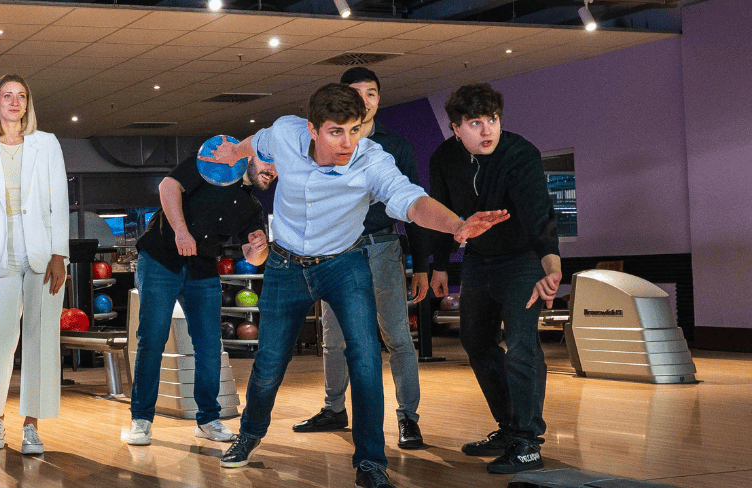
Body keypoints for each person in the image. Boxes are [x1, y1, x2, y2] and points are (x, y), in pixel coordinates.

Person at [202, 83, 509, 488]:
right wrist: (235, 153)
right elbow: (256, 141)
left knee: (365, 361)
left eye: (355, 130)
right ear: (312, 130)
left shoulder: (371, 161)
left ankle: (369, 462)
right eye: (336, 132)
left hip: (344, 263)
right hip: (285, 264)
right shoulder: (285, 132)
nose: (348, 142)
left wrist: (456, 225)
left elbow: (410, 199)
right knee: (268, 366)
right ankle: (250, 434)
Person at [428, 83, 561, 475]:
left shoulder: (520, 154)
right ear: (456, 128)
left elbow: (541, 215)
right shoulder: (444, 158)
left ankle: (527, 440)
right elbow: (440, 211)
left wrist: (551, 266)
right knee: (476, 341)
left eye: (493, 120)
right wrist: (440, 265)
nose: (487, 131)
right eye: (475, 123)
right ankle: (508, 427)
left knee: (521, 345)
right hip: (477, 261)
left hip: (522, 260)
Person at [294, 67, 430, 451]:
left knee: (397, 337)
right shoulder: (324, 144)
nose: (365, 100)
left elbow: (414, 205)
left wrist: (421, 265)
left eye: (371, 93)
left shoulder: (396, 146)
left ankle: (408, 419)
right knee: (333, 339)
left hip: (382, 247)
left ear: (378, 99)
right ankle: (334, 408)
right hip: (336, 252)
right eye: (356, 93)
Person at [124, 125, 276, 445]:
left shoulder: (252, 208)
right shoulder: (212, 161)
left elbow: (254, 255)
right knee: (152, 339)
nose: (273, 172)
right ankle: (141, 419)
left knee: (209, 346)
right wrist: (181, 230)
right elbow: (168, 186)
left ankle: (207, 419)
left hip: (202, 268)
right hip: (162, 258)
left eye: (278, 168)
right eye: (269, 162)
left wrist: (259, 247)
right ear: (251, 154)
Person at [0, 74, 70, 455]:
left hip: (43, 255)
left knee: (41, 339)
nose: (14, 102)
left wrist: (60, 254)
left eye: (21, 96)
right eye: (7, 96)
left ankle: (32, 425)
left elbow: (60, 200)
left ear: (28, 103)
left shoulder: (48, 144)